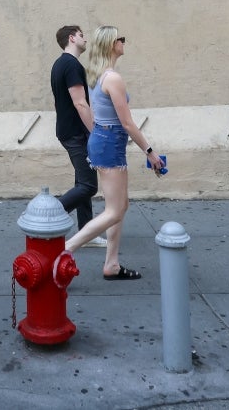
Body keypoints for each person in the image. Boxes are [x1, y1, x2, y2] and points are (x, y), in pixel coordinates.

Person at [64, 26, 164, 279]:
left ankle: (112, 264)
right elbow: (128, 123)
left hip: (106, 140)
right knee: (114, 211)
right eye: (121, 38)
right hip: (109, 143)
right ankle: (65, 249)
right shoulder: (112, 78)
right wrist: (150, 152)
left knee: (121, 205)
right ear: (111, 44)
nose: (124, 42)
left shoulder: (101, 75)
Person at [50, 25, 105, 248]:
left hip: (69, 132)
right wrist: (97, 132)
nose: (86, 38)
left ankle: (86, 233)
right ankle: (48, 215)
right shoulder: (71, 65)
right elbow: (80, 103)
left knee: (81, 180)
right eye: (82, 35)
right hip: (75, 134)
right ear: (71, 38)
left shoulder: (60, 64)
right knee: (89, 186)